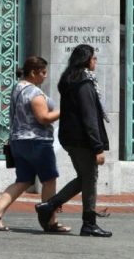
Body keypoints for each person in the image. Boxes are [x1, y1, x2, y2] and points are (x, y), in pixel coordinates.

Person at [36, 44, 113, 237]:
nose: (95, 61)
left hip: (70, 137)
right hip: (82, 139)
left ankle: (50, 206)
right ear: (86, 60)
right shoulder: (84, 83)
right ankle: (87, 222)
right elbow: (89, 117)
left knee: (84, 178)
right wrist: (98, 147)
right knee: (90, 178)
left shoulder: (69, 79)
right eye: (94, 58)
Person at [0, 56, 65, 232]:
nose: (45, 76)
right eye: (43, 73)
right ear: (33, 72)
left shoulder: (18, 88)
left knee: (23, 180)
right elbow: (43, 118)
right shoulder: (34, 93)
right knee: (49, 179)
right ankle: (49, 219)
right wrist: (63, 111)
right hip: (37, 141)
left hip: (18, 141)